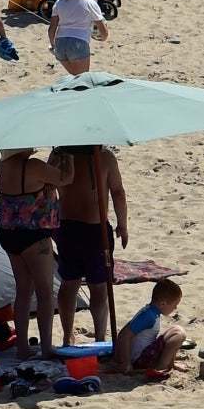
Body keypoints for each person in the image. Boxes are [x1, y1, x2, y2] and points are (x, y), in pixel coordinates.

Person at [0, 148, 69, 356]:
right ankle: (46, 347)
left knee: (23, 290)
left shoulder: (3, 166)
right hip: (33, 232)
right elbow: (66, 178)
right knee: (45, 292)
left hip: (8, 231)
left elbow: (37, 182)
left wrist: (48, 180)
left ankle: (22, 348)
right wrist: (68, 157)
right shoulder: (34, 166)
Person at [55, 144, 125, 348]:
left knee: (69, 284)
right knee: (99, 287)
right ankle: (100, 339)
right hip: (96, 229)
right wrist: (123, 225)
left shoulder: (60, 154)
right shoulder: (103, 156)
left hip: (67, 226)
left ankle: (68, 335)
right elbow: (118, 192)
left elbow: (49, 189)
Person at [49, 0, 111, 74]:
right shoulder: (90, 3)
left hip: (60, 44)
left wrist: (53, 46)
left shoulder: (59, 2)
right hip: (78, 43)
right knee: (82, 79)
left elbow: (51, 29)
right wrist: (104, 37)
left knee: (75, 75)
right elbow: (103, 31)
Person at [116, 278, 185, 374]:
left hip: (143, 354)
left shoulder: (151, 311)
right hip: (140, 359)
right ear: (163, 303)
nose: (175, 308)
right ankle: (161, 367)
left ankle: (170, 364)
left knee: (174, 331)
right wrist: (126, 363)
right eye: (174, 305)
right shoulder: (148, 316)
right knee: (179, 334)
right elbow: (124, 335)